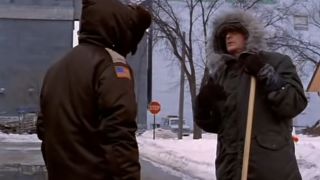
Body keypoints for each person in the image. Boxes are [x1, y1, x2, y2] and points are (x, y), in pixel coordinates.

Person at [36, 0, 151, 179]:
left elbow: (43, 129)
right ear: (119, 30)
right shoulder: (112, 67)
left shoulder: (56, 68)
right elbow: (119, 134)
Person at [195, 10, 307, 180]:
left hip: (270, 169)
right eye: (224, 34)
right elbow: (216, 126)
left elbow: (294, 103)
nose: (228, 37)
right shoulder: (221, 75)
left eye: (233, 31)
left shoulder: (276, 62)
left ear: (247, 33)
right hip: (231, 170)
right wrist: (204, 107)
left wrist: (266, 75)